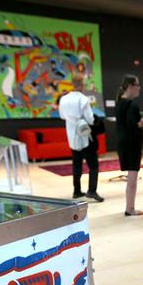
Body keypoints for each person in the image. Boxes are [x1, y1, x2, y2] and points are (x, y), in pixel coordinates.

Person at [58, 72, 103, 202]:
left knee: (76, 164)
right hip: (84, 136)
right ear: (82, 84)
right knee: (93, 165)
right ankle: (92, 191)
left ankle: (76, 191)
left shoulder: (64, 99)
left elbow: (62, 116)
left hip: (71, 136)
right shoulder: (83, 99)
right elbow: (90, 119)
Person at [116, 74, 143, 216]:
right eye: (137, 85)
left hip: (124, 144)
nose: (139, 88)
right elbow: (131, 126)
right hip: (131, 145)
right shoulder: (131, 104)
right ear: (130, 86)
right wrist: (141, 123)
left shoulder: (120, 102)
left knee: (131, 178)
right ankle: (130, 208)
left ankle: (129, 207)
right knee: (132, 179)